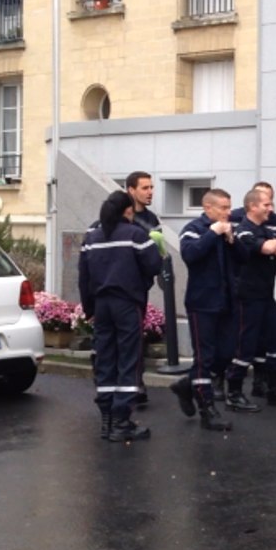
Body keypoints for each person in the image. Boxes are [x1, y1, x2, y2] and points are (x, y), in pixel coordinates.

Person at [78, 191, 162, 442]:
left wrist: (89, 308)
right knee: (129, 359)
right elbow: (154, 265)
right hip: (127, 304)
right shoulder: (135, 234)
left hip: (101, 305)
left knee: (105, 358)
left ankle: (107, 418)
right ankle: (122, 420)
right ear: (128, 210)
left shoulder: (91, 237)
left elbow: (84, 277)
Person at [228, 188, 276, 409]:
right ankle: (234, 392)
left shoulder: (267, 229)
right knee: (246, 347)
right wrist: (274, 246)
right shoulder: (243, 231)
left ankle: (274, 388)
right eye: (266, 205)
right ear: (252, 206)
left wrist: (274, 246)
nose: (271, 208)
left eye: (271, 204)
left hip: (266, 296)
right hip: (247, 297)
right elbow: (268, 247)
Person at [170, 188, 236, 432]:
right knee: (204, 357)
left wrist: (232, 240)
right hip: (202, 302)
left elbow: (242, 259)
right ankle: (207, 410)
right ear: (208, 208)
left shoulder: (228, 228)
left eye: (229, 207)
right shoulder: (194, 229)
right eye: (223, 208)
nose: (228, 213)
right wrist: (212, 233)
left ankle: (187, 384)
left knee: (226, 353)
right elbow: (190, 254)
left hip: (226, 301)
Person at [125, 171, 162, 407]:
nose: (150, 192)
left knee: (136, 337)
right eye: (145, 188)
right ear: (131, 190)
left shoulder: (151, 219)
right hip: (119, 285)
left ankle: (137, 383)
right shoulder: (120, 214)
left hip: (139, 287)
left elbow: (156, 251)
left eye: (151, 188)